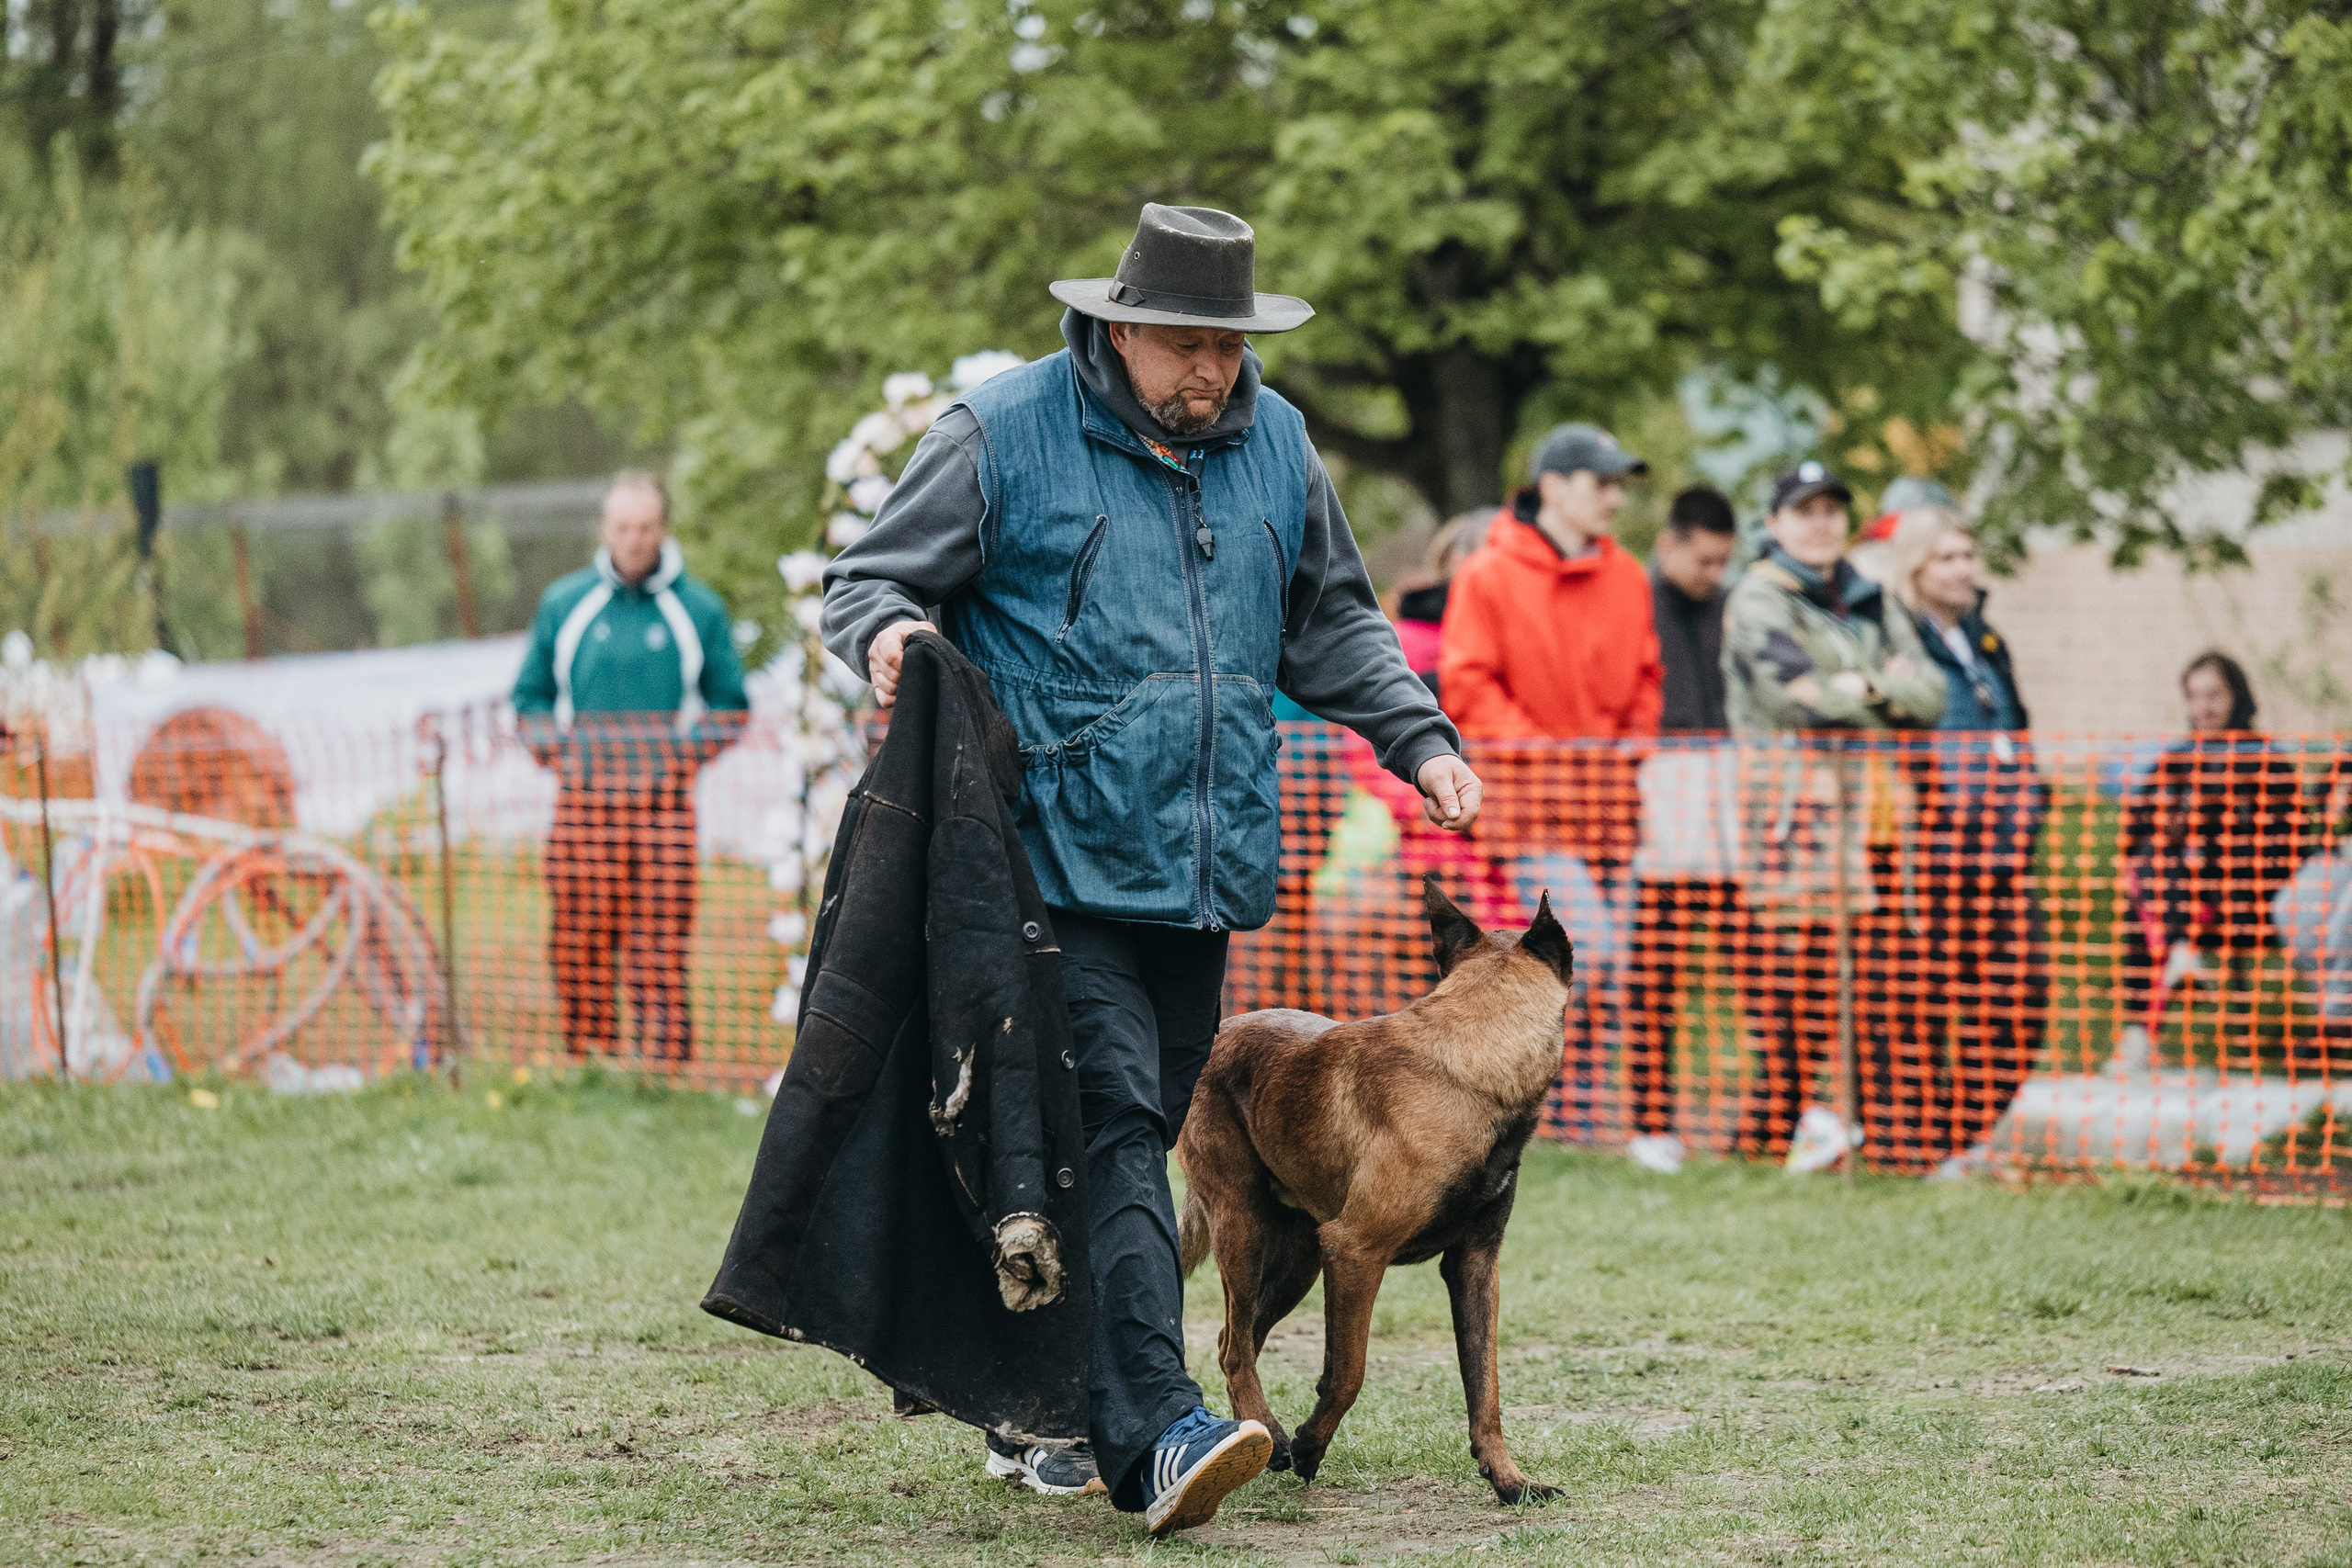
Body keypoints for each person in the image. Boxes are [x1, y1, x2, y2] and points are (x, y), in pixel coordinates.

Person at [820, 203, 1481, 1533]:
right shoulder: (1002, 432)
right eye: (1187, 345)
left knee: (1107, 1138)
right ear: (1118, 328)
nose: (1213, 372)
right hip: (1044, 862)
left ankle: (1033, 1397)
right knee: (1122, 1122)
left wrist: (1417, 737)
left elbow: (1332, 620)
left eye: (1229, 347)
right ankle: (1158, 1431)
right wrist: (888, 629)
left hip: (1201, 867)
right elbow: (864, 582)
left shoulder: (1277, 442)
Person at [1438, 423, 1661, 1143]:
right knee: (1588, 954)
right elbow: (1469, 685)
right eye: (1602, 482)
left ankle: (1580, 1122)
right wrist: (1554, 753)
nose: (1615, 498)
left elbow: (1647, 679)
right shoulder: (1487, 573)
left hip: (1612, 810)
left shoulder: (1628, 576)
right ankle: (1523, 1102)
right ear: (1555, 485)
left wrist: (1630, 744)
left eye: (1619, 484)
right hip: (1533, 811)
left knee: (1610, 972)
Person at [1722, 461, 1946, 1172]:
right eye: (1804, 510)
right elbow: (1797, 699)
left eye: (1831, 510)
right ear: (1774, 523)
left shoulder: (1870, 594)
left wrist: (1860, 687)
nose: (1821, 523)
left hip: (1878, 818)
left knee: (1883, 983)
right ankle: (1775, 1132)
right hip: (1799, 819)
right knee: (1801, 988)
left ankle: (1883, 1137)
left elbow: (1932, 695)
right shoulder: (1758, 597)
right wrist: (1884, 692)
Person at [513, 472, 749, 1062]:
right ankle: (591, 1061)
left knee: (659, 942)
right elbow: (530, 697)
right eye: (622, 527)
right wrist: (556, 752)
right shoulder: (565, 603)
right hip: (584, 806)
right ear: (604, 529)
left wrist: (680, 759)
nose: (633, 539)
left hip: (662, 810)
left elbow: (730, 704)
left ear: (663, 529)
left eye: (645, 527)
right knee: (578, 939)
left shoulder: (698, 609)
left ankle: (661, 1070)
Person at [1883, 507, 2048, 1177]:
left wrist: (2030, 803)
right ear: (1915, 566)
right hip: (1933, 854)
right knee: (1923, 1005)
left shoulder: (1986, 640)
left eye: (1967, 555)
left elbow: (2017, 727)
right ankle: (1924, 1146)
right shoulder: (1898, 640)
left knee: (2022, 996)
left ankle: (1966, 1132)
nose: (1963, 568)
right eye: (1947, 557)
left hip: (2002, 855)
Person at [2110, 651, 2303, 1077]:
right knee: (2151, 866)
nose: (2204, 707)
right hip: (2179, 892)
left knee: (2155, 891)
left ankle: (2149, 1017)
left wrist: (2223, 821)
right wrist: (2175, 825)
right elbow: (2135, 833)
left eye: (2214, 694)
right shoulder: (2176, 761)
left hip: (2243, 895)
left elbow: (2288, 842)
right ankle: (2167, 979)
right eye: (2195, 696)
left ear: (2236, 696)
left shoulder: (2265, 759)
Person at [1621, 486, 1739, 1174]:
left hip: (1726, 809)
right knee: (1655, 978)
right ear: (1670, 544)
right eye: (1704, 560)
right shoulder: (1635, 601)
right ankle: (1651, 1121)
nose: (1713, 574)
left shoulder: (1730, 607)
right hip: (1660, 810)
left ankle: (1769, 1119)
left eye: (1724, 562)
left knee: (1754, 970)